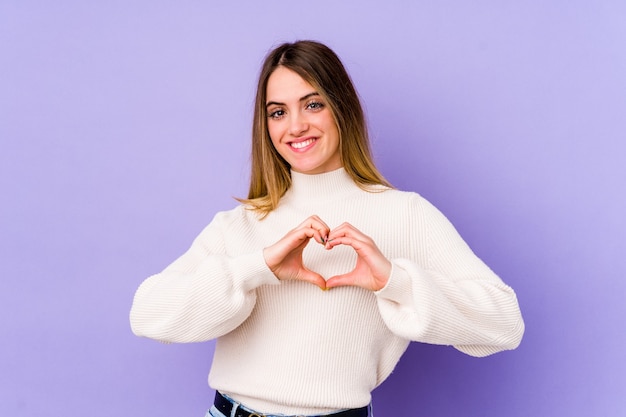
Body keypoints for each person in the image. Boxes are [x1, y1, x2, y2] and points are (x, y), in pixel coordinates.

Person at [130, 40, 524, 417]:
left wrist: (394, 281)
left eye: (313, 104)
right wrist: (257, 269)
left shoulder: (405, 214)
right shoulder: (242, 223)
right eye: (278, 112)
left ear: (342, 109)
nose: (295, 126)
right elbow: (147, 314)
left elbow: (504, 324)